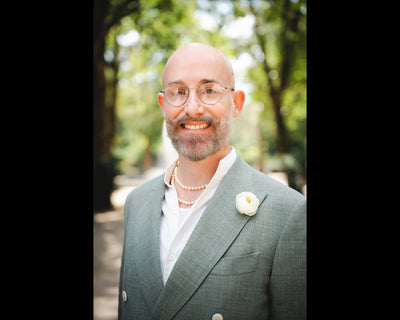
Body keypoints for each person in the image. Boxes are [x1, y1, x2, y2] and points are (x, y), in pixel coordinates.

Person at [118, 43, 306, 320]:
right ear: (163, 104)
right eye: (178, 92)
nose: (192, 108)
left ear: (237, 103)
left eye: (209, 90)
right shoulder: (136, 203)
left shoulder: (289, 212)